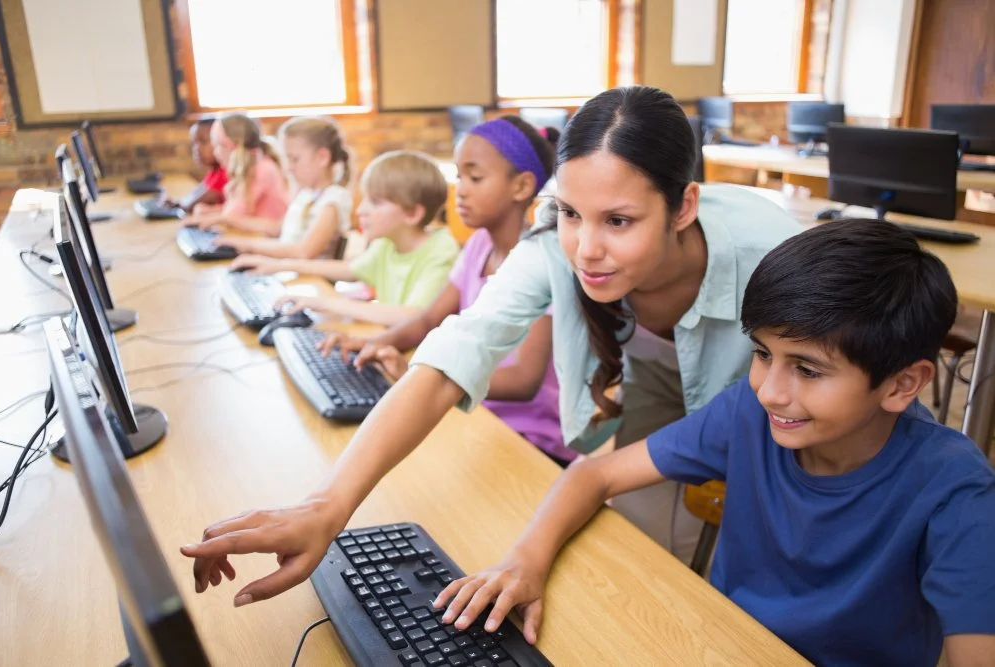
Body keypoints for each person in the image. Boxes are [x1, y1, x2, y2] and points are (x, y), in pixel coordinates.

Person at [180, 85, 801, 605]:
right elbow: (457, 352)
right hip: (654, 369)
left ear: (683, 205)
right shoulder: (556, 248)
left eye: (619, 220)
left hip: (773, 394)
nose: (585, 248)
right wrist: (326, 505)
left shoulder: (771, 254)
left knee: (754, 538)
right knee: (642, 552)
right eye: (571, 213)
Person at [432, 219, 995, 667]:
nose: (770, 391)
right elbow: (594, 475)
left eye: (808, 369)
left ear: (902, 384)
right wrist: (524, 562)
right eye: (763, 353)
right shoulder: (746, 415)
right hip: (716, 645)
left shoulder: (955, 489)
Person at [323, 116, 570, 464]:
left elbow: (523, 380)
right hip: (471, 410)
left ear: (521, 186)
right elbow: (428, 320)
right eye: (459, 176)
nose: (461, 190)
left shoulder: (542, 261)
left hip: (529, 438)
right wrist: (374, 344)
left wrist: (421, 373)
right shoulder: (478, 245)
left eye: (475, 177)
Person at [231, 150, 460, 327]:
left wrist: (328, 303)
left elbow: (412, 315)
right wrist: (278, 265)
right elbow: (349, 269)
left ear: (413, 214)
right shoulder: (388, 242)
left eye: (376, 202)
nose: (360, 211)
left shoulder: (441, 251)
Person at [215, 116, 353, 260]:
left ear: (322, 157)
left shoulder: (333, 200)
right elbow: (277, 228)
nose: (289, 167)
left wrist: (249, 246)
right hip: (288, 270)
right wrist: (225, 220)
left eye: (294, 159)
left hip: (307, 279)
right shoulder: (306, 193)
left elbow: (304, 252)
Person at [183, 112, 290, 234]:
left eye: (218, 145)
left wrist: (214, 216)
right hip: (257, 237)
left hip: (269, 240)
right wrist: (211, 211)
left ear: (231, 146)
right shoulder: (250, 166)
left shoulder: (260, 170)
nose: (216, 153)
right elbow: (240, 211)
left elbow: (233, 216)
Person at [163, 117, 227, 214]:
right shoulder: (215, 170)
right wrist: (179, 203)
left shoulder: (226, 172)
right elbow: (198, 192)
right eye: (194, 143)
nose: (197, 149)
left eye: (203, 141)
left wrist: (182, 205)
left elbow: (193, 204)